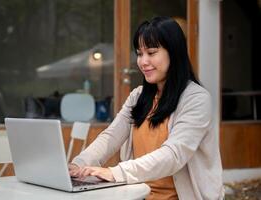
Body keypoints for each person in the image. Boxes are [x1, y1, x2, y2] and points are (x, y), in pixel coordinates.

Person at [68, 16, 224, 199]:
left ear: (173, 52)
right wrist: (78, 164)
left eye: (151, 52)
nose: (143, 61)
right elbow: (110, 137)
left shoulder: (196, 99)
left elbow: (173, 155)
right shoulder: (138, 96)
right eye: (139, 54)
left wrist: (116, 173)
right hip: (139, 195)